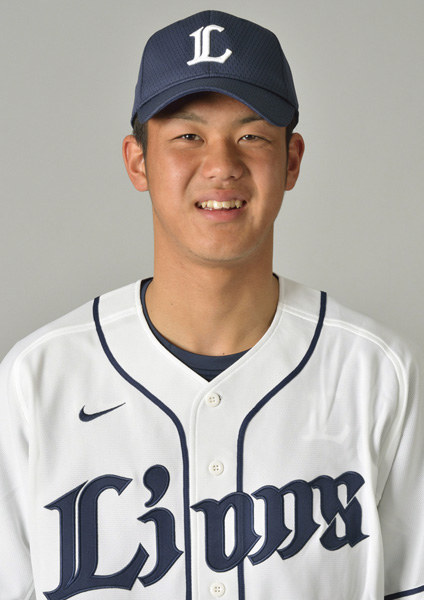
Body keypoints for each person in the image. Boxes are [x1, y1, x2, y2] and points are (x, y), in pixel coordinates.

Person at [0, 9, 423, 600]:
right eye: (188, 137)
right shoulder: (35, 382)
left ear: (291, 160)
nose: (222, 165)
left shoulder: (377, 373)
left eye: (251, 136)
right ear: (138, 160)